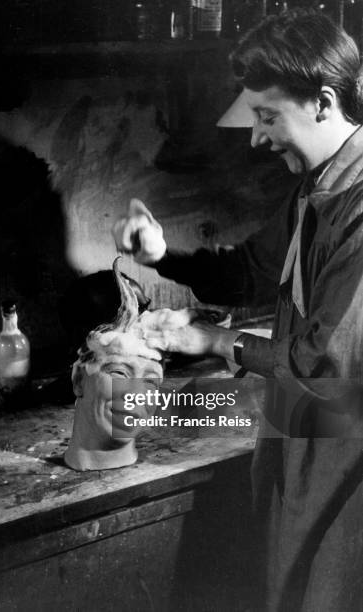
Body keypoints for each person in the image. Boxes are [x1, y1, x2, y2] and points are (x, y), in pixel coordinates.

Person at [113, 9, 363, 611]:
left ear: (324, 102)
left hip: (348, 468)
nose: (256, 137)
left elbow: (322, 370)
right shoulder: (319, 184)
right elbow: (248, 270)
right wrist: (163, 254)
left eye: (267, 116)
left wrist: (214, 343)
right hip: (306, 442)